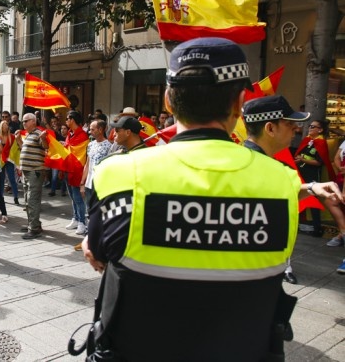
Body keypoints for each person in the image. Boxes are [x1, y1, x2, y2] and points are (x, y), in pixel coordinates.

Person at [81, 37, 303, 361]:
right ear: (240, 104)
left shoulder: (117, 174)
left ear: (168, 101)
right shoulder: (284, 183)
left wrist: (91, 243)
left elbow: (97, 253)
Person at [242, 95, 344, 285]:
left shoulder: (248, 161)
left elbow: (284, 192)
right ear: (270, 128)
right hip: (255, 274)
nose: (297, 129)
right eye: (290, 124)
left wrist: (313, 187)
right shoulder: (271, 170)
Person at [294, 119, 335, 237]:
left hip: (311, 173)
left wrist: (303, 160)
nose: (310, 128)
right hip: (301, 171)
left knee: (312, 198)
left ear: (320, 130)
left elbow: (319, 162)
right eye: (310, 126)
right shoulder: (308, 140)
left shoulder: (321, 143)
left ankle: (317, 227)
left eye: (313, 126)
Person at [16, 113, 49, 239]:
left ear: (33, 122)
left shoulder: (38, 133)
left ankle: (34, 229)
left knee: (32, 200)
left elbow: (45, 147)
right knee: (27, 199)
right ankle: (33, 224)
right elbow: (23, 148)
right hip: (27, 171)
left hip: (35, 171)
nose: (23, 123)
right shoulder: (28, 134)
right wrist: (18, 139)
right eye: (23, 121)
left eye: (26, 121)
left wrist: (44, 138)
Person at [63, 111, 89, 235]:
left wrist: (63, 147)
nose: (66, 121)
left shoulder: (83, 135)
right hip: (68, 169)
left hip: (78, 170)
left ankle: (82, 222)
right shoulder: (70, 133)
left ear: (73, 120)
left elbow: (75, 151)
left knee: (78, 198)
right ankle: (76, 218)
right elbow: (68, 148)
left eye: (67, 118)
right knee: (72, 197)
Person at [0, 119, 20, 205]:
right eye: (3, 125)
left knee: (12, 179)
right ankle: (1, 197)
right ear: (1, 127)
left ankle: (16, 197)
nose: (5, 127)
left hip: (9, 160)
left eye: (6, 125)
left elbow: (15, 149)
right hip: (1, 160)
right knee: (1, 179)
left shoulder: (12, 137)